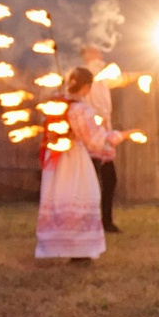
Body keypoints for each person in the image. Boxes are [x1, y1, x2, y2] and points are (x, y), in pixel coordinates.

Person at [36, 66, 117, 261]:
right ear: (86, 87)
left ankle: (57, 246)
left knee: (59, 198)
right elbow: (94, 139)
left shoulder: (55, 103)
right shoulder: (80, 109)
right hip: (72, 158)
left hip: (55, 157)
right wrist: (107, 130)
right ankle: (79, 250)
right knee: (82, 195)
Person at [78, 44, 123, 234]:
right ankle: (90, 222)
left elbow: (119, 79)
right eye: (95, 52)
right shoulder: (87, 75)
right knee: (92, 181)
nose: (100, 55)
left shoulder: (103, 77)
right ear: (87, 55)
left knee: (110, 179)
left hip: (104, 132)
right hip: (92, 133)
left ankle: (106, 221)